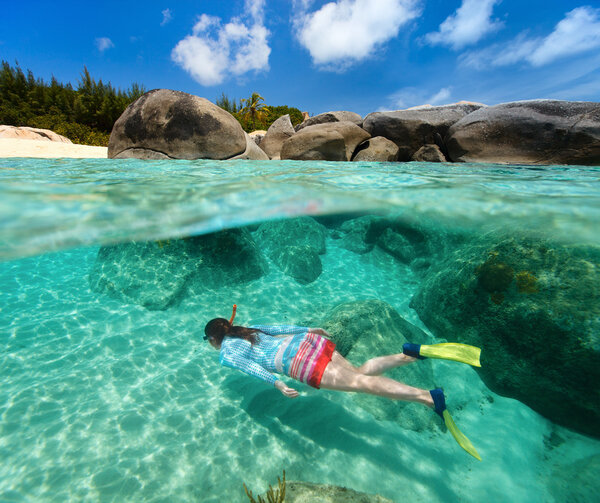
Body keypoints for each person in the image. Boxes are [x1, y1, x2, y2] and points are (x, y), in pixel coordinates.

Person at [204, 305, 482, 460]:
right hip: (309, 343)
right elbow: (278, 329)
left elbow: (251, 367)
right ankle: (407, 354)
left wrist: (276, 383)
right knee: (361, 373)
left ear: (214, 339)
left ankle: (428, 398)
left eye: (209, 342)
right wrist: (310, 330)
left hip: (300, 364)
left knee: (362, 384)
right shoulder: (245, 329)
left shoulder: (227, 353)